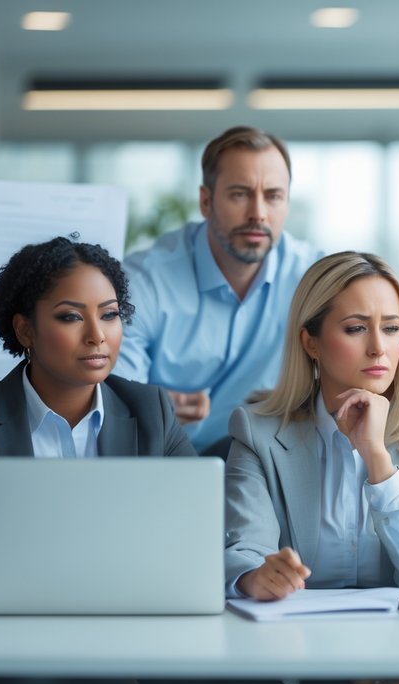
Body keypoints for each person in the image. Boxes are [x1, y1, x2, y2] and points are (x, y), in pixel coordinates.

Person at [0, 237, 195, 598]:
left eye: (110, 314)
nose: (97, 335)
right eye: (71, 317)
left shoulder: (151, 411)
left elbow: (201, 531)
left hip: (128, 618)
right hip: (6, 628)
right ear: (25, 330)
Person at [223, 251, 399, 602]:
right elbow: (246, 555)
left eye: (391, 328)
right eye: (356, 328)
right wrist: (255, 577)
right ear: (311, 342)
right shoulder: (256, 432)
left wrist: (378, 461)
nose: (378, 348)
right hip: (294, 641)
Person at [117, 126, 322, 454]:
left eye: (273, 196)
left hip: (265, 466)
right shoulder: (144, 283)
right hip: (163, 464)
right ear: (206, 201)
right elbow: (111, 397)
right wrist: (148, 406)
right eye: (240, 194)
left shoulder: (313, 280)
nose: (258, 213)